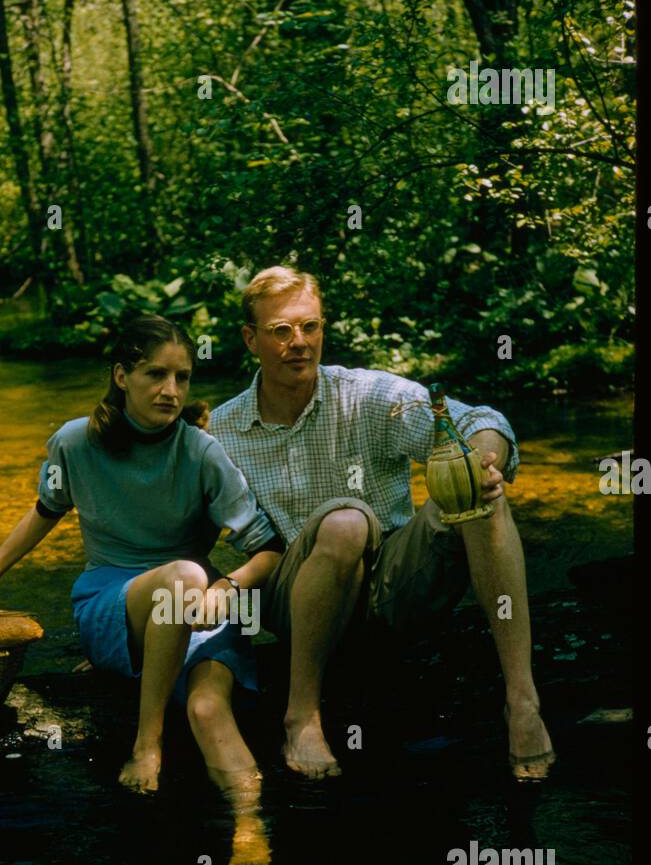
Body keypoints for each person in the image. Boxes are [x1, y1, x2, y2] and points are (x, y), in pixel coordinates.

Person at [0, 314, 284, 865]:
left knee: (209, 704)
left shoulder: (202, 453)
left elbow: (270, 548)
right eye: (155, 375)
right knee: (184, 575)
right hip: (113, 603)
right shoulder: (74, 443)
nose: (171, 391)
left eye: (183, 378)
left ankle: (247, 825)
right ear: (122, 375)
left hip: (197, 608)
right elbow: (45, 512)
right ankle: (148, 743)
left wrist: (231, 584)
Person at [208, 265, 556, 783]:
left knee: (478, 488)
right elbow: (181, 534)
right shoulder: (222, 432)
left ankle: (522, 701)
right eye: (281, 330)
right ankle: (302, 716)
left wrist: (483, 459)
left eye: (311, 327)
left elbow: (480, 420)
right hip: (295, 597)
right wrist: (148, 624)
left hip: (397, 586)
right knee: (346, 522)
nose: (299, 342)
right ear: (250, 339)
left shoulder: (369, 395)